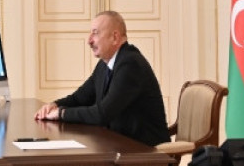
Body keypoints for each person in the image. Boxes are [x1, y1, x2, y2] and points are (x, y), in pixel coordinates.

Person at [34, 10, 169, 146]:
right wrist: (54, 105)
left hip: (145, 151)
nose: (89, 40)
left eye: (95, 33)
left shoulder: (130, 64)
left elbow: (102, 114)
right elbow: (80, 98)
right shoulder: (104, 65)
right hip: (120, 145)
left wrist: (61, 113)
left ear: (115, 37)